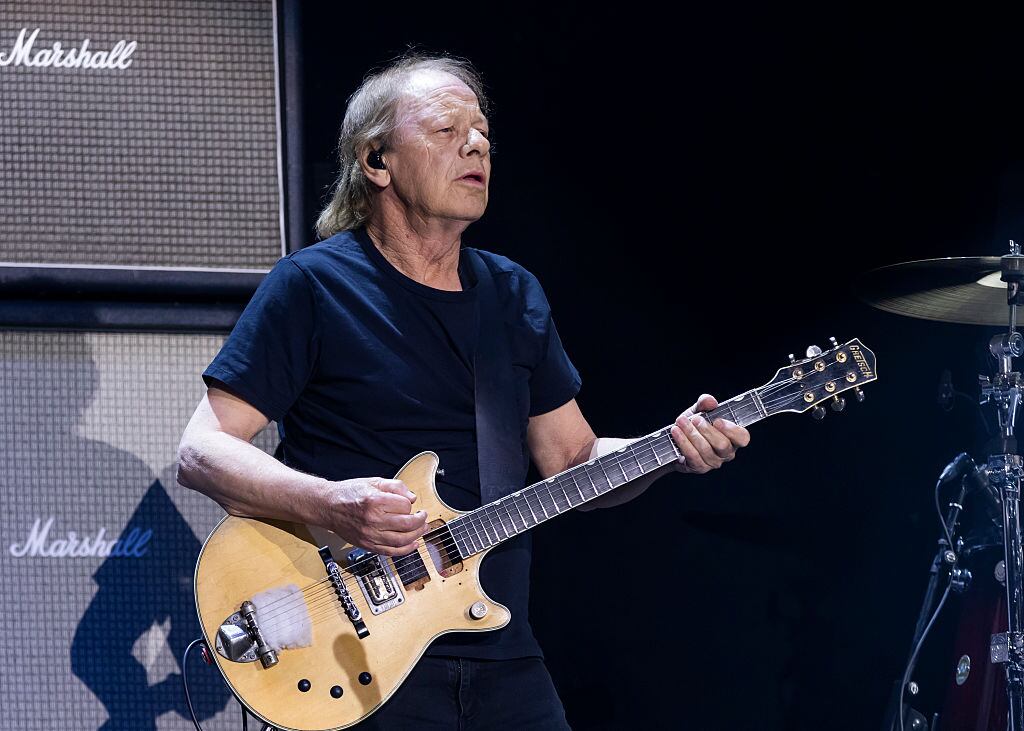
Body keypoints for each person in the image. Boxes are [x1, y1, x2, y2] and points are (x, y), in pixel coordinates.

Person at [176, 53, 750, 729]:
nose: (476, 144)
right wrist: (332, 502)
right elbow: (202, 450)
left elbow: (572, 459)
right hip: (359, 652)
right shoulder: (313, 287)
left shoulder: (512, 295)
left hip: (501, 653)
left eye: (482, 132)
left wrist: (669, 450)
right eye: (447, 129)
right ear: (377, 162)